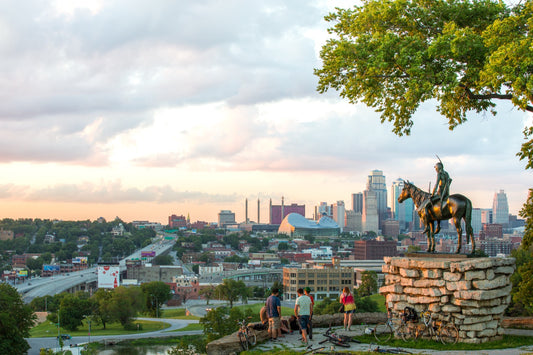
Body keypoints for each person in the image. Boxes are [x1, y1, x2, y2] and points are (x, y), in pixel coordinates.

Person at [418, 160, 452, 233]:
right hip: (446, 194)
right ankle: (438, 225)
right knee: (437, 208)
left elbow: (436, 185)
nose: (436, 170)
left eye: (436, 168)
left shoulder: (439, 174)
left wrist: (433, 194)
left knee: (426, 206)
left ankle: (427, 226)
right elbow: (447, 184)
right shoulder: (446, 174)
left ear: (438, 168)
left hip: (439, 194)